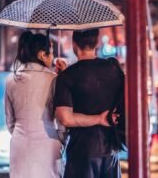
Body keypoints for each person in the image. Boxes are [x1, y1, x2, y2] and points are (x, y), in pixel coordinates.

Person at [4, 31, 115, 178]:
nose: (52, 57)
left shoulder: (11, 79)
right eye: (50, 53)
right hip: (47, 145)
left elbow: (10, 120)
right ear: (42, 55)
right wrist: (61, 140)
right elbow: (62, 121)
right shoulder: (54, 79)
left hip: (19, 144)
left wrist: (22, 135)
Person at [54, 29, 126, 178]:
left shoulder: (67, 77)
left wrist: (99, 119)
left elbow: (65, 118)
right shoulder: (113, 68)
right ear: (97, 43)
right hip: (111, 149)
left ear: (74, 44)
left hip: (82, 150)